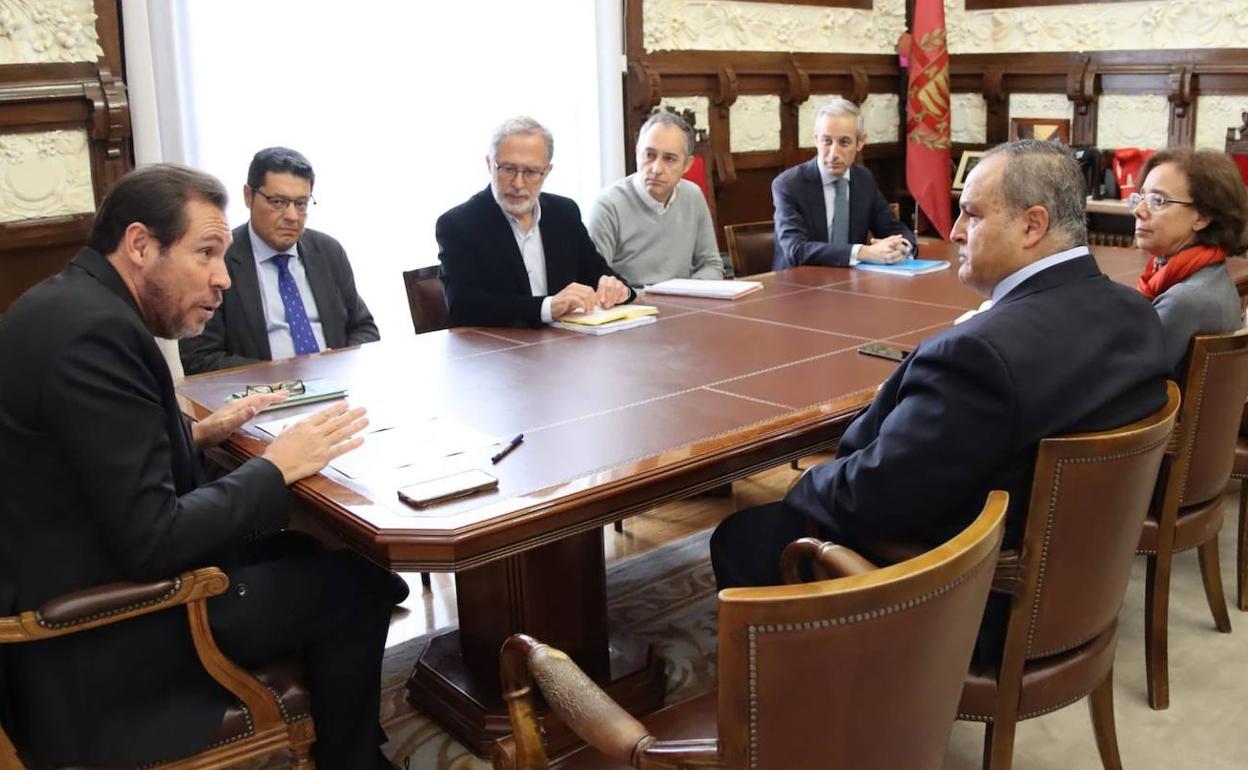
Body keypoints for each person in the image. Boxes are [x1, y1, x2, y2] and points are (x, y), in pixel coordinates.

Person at [0, 164, 404, 769]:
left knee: (313, 554)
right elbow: (153, 538)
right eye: (207, 253)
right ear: (141, 245)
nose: (222, 279)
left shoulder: (64, 304)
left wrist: (194, 434)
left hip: (78, 563)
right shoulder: (96, 335)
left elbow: (93, 459)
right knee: (356, 587)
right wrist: (276, 468)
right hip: (109, 624)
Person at [711, 140, 1169, 655]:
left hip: (970, 604)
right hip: (1075, 584)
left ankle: (808, 712)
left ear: (1032, 225)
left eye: (971, 215)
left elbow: (871, 498)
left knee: (744, 535)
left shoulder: (979, 356)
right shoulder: (1137, 314)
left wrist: (800, 486)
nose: (952, 233)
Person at [180, 147, 379, 374]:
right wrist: (280, 376)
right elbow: (200, 358)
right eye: (278, 202)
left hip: (337, 389)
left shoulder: (328, 252)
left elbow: (364, 328)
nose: (292, 216)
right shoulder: (218, 259)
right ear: (248, 196)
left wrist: (340, 361)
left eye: (301, 203)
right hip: (260, 400)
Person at [437, 116, 634, 327]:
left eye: (530, 172)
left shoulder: (564, 213)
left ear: (546, 172)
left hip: (565, 346)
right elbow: (463, 305)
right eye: (508, 169)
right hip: (499, 351)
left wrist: (619, 289)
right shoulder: (459, 224)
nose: (518, 183)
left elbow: (597, 273)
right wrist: (548, 307)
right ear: (489, 164)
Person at [1131, 148, 1246, 374]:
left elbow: (1125, 384)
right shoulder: (1212, 275)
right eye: (1140, 197)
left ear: (1202, 217)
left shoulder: (1183, 301)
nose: (1138, 210)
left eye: (1158, 201)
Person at [772, 97, 917, 271]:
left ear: (860, 142)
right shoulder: (789, 185)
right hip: (797, 287)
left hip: (851, 285)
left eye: (844, 142)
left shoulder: (863, 180)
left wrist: (902, 247)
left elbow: (893, 228)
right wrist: (864, 252)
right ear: (816, 139)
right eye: (827, 141)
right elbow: (796, 251)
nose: (834, 153)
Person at [587, 111, 723, 286]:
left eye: (669, 159)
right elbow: (594, 279)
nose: (656, 168)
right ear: (637, 153)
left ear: (687, 165)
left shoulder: (693, 196)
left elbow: (711, 265)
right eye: (649, 155)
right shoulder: (608, 204)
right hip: (631, 307)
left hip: (681, 303)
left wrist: (686, 291)